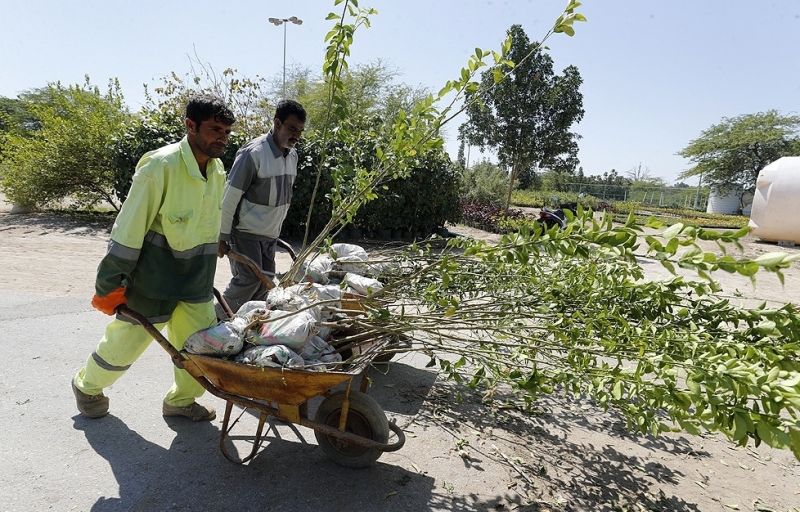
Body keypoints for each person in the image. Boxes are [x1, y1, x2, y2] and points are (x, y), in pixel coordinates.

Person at [71, 94, 236, 421]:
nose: (222, 138)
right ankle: (87, 386)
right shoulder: (161, 166)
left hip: (196, 281)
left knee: (201, 346)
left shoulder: (217, 170)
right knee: (125, 345)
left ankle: (180, 401)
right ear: (190, 126)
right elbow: (129, 228)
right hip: (153, 280)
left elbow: (208, 223)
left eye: (227, 132)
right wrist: (109, 282)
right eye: (215, 129)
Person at [216, 99, 306, 317]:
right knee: (248, 280)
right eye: (291, 128)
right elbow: (229, 198)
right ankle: (213, 323)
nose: (296, 135)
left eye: (300, 131)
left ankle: (249, 329)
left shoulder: (292, 155)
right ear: (277, 123)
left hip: (270, 233)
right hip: (246, 232)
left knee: (265, 284)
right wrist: (221, 236)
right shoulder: (253, 154)